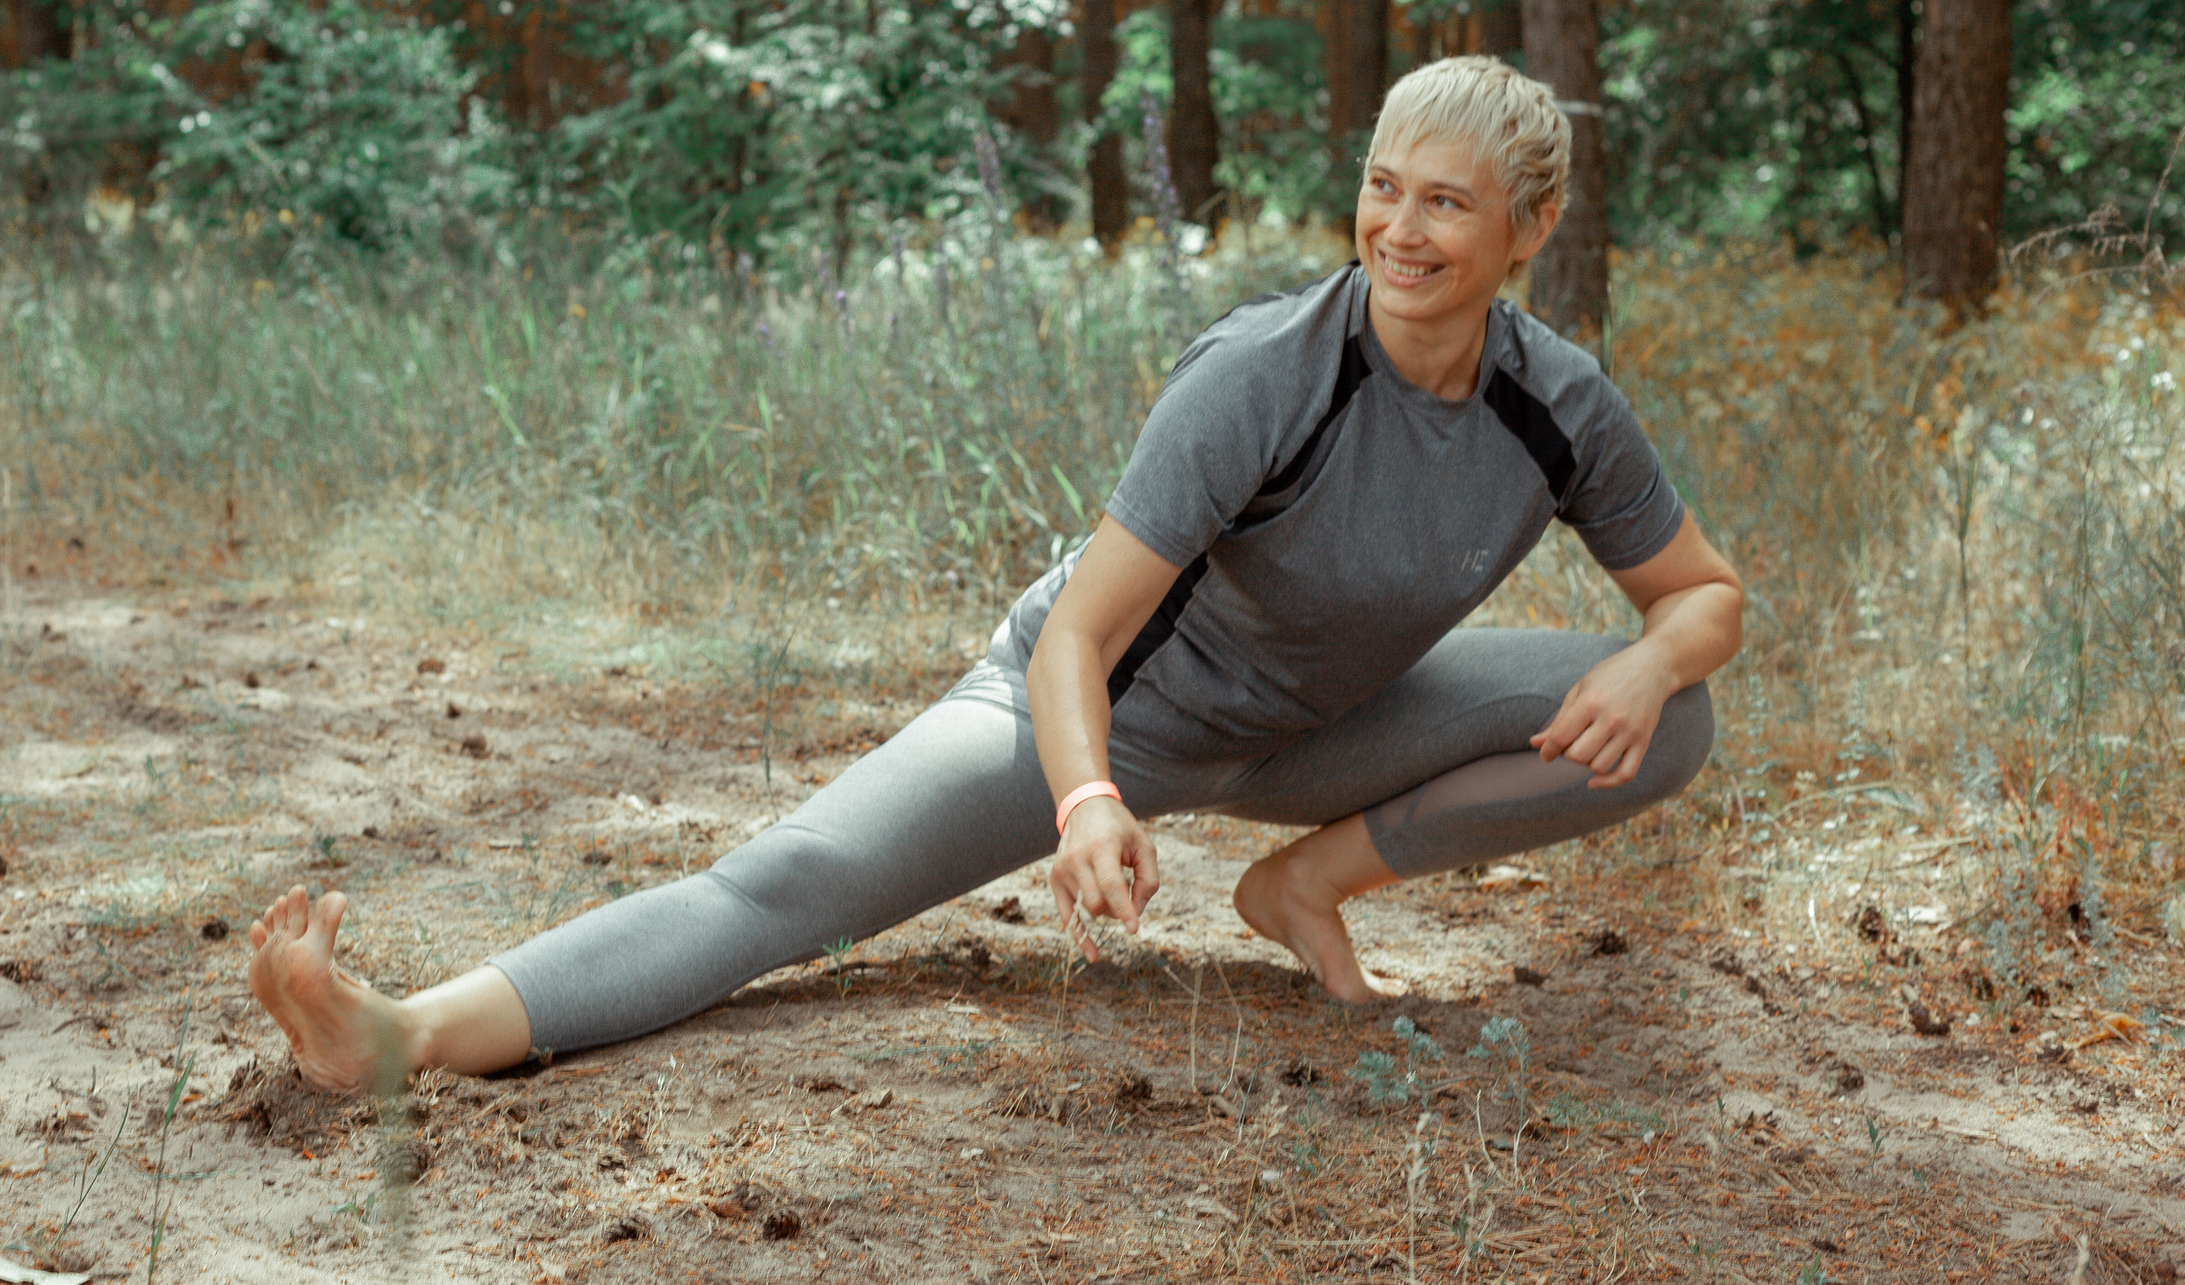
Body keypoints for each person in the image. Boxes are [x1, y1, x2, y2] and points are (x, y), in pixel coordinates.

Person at [248, 55, 1745, 1093]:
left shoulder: (1557, 405)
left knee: (1672, 717)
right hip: (1094, 713)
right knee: (794, 888)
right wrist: (1086, 801)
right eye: (1382, 186)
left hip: (1323, 727)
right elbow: (1080, 637)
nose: (1398, 232)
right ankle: (403, 1035)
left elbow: (1706, 596)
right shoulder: (1265, 375)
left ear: (1531, 227)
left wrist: (1652, 654)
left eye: (1447, 203)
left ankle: (1306, 883)